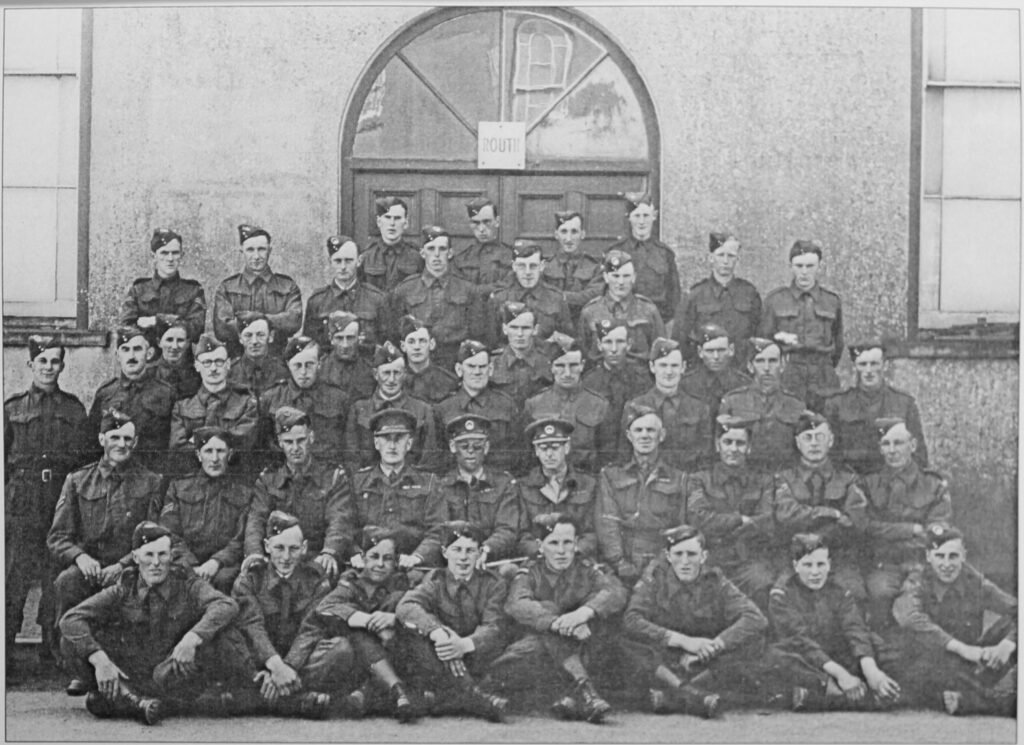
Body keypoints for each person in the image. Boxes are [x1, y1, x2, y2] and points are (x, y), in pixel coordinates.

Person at [58, 522, 246, 724]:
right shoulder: (123, 587)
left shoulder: (186, 582)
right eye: (149, 555)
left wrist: (193, 637)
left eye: (162, 555)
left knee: (98, 702)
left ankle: (131, 702)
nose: (156, 563)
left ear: (171, 556)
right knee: (70, 642)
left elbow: (226, 604)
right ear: (136, 557)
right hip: (131, 672)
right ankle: (137, 700)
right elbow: (71, 619)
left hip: (169, 672)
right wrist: (100, 660)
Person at [48, 409, 164, 693]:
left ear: (135, 442)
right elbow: (58, 536)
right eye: (115, 437)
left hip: (132, 567)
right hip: (92, 568)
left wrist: (125, 563)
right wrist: (81, 557)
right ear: (102, 439)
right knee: (67, 582)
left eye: (127, 438)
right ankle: (79, 668)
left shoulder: (151, 481)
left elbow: (156, 534)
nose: (121, 444)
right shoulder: (77, 480)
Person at [491, 513, 626, 723]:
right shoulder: (530, 570)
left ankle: (574, 696)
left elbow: (615, 591)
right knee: (546, 614)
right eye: (553, 543)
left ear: (576, 543)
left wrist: (584, 613)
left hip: (569, 650)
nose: (561, 551)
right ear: (540, 545)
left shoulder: (587, 567)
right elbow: (517, 603)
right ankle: (579, 693)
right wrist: (557, 623)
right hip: (529, 654)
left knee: (601, 630)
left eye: (567, 543)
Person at [622, 525, 767, 718]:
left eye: (691, 554)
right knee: (625, 642)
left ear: (703, 556)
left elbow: (755, 617)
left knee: (755, 642)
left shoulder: (715, 580)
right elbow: (631, 619)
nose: (684, 562)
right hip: (666, 656)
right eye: (678, 554)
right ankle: (692, 695)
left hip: (702, 661)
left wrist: (715, 646)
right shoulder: (655, 577)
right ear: (667, 556)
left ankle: (675, 695)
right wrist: (684, 641)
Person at [5, 335, 89, 666]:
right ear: (31, 365)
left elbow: (82, 464)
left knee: (55, 579)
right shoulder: (11, 409)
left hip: (58, 501)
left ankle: (53, 653)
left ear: (62, 366)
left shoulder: (73, 409)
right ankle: (5, 654)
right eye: (43, 361)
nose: (49, 367)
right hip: (22, 504)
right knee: (13, 578)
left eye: (55, 361)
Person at [766, 533, 901, 711]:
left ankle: (828, 695)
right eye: (807, 565)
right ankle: (847, 693)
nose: (815, 572)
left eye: (821, 564)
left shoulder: (839, 587)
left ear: (829, 564)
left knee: (885, 649)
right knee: (774, 657)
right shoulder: (782, 594)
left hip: (835, 651)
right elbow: (800, 641)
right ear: (795, 566)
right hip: (807, 656)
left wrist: (871, 669)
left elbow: (854, 628)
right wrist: (842, 675)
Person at [293, 527, 418, 720]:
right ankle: (393, 689)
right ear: (363, 558)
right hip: (350, 660)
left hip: (387, 654)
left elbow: (417, 612)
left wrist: (394, 619)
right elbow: (326, 607)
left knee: (395, 637)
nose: (380, 564)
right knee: (356, 634)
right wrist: (367, 620)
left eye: (388, 559)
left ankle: (369, 695)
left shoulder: (401, 586)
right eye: (374, 556)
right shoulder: (350, 583)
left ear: (395, 562)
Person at [893, 526, 1017, 717]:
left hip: (971, 662)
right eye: (940, 556)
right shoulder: (917, 580)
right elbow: (910, 618)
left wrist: (1008, 643)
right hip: (931, 665)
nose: (946, 564)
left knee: (1013, 625)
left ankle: (968, 697)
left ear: (964, 556)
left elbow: (1016, 608)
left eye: (953, 556)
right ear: (928, 556)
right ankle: (987, 701)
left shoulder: (974, 581)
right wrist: (962, 649)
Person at [394, 521, 511, 722]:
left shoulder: (494, 584)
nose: (463, 557)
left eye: (470, 550)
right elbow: (406, 606)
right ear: (444, 552)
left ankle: (448, 698)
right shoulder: (435, 579)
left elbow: (494, 626)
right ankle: (473, 696)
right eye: (456, 549)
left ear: (480, 552)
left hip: (476, 654)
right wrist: (439, 633)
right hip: (441, 655)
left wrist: (463, 645)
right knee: (411, 634)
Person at [228, 511, 340, 718]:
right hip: (260, 660)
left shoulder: (316, 580)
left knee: (340, 648)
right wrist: (275, 666)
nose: (286, 557)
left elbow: (311, 629)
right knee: (227, 640)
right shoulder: (250, 579)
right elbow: (252, 627)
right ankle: (294, 700)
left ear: (304, 548)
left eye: (294, 549)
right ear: (267, 546)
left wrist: (287, 668)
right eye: (279, 548)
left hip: (298, 662)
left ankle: (259, 697)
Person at [859, 417, 952, 630]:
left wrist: (891, 534)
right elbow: (866, 527)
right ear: (880, 449)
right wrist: (911, 530)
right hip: (884, 565)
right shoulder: (867, 484)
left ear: (912, 445)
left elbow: (937, 531)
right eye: (886, 444)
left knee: (920, 609)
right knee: (879, 596)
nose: (892, 450)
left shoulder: (934, 484)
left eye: (898, 443)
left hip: (921, 564)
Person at [243, 407, 351, 584]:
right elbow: (256, 519)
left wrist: (330, 551)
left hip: (316, 556)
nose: (295, 448)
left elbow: (339, 519)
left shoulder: (332, 477)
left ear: (311, 438)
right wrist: (254, 552)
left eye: (300, 440)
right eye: (289, 442)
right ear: (280, 443)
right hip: (279, 558)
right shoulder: (268, 480)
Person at [684, 415, 779, 611]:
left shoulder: (764, 481)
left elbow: (767, 520)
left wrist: (721, 524)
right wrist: (740, 520)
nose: (734, 449)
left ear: (749, 447)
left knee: (762, 583)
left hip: (749, 560)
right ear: (717, 445)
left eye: (740, 443)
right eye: (727, 442)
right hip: (711, 558)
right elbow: (698, 518)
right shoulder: (699, 480)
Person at [774, 412, 869, 599]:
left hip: (838, 558)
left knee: (855, 594)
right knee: (780, 595)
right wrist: (831, 514)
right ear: (798, 443)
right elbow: (785, 515)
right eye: (807, 438)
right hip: (795, 559)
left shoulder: (849, 478)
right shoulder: (783, 478)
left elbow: (856, 522)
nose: (814, 443)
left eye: (820, 437)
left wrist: (809, 522)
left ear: (831, 440)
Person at [596, 404, 687, 583]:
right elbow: (607, 523)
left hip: (661, 563)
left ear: (661, 436)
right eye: (638, 430)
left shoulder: (679, 478)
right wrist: (619, 562)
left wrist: (658, 565)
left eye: (651, 430)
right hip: (620, 563)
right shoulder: (611, 475)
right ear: (629, 436)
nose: (644, 435)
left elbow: (680, 528)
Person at [348, 408, 447, 571]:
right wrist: (355, 553)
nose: (392, 446)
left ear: (409, 443)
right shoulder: (358, 482)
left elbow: (438, 529)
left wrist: (418, 556)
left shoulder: (429, 482)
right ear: (376, 443)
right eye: (386, 439)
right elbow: (346, 526)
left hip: (412, 568)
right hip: (366, 566)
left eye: (399, 439)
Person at [159, 427, 252, 593]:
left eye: (220, 451)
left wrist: (216, 562)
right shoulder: (178, 487)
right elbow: (169, 532)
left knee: (227, 580)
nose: (215, 458)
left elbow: (241, 538)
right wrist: (191, 565)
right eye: (208, 451)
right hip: (184, 563)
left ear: (230, 454)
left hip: (224, 566)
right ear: (198, 455)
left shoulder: (243, 493)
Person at [389, 225, 487, 372]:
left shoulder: (468, 290)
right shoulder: (405, 290)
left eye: (442, 249)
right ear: (422, 253)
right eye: (431, 249)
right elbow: (394, 334)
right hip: (416, 367)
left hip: (455, 365)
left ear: (450, 253)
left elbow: (478, 334)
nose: (436, 255)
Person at [758, 240, 843, 408]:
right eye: (799, 266)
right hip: (789, 374)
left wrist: (822, 365)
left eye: (810, 266)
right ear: (791, 266)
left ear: (819, 266)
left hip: (823, 375)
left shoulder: (831, 301)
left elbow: (837, 344)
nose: (804, 272)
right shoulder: (775, 300)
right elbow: (764, 341)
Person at [824, 340, 928, 474]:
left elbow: (919, 456)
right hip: (852, 483)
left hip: (892, 482)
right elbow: (830, 455)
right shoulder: (837, 404)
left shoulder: (904, 404)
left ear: (885, 366)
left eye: (874, 364)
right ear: (855, 367)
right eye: (863, 364)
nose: (868, 371)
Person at [168, 334, 259, 476]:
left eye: (219, 362)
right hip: (193, 481)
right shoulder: (182, 407)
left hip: (235, 478)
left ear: (228, 364)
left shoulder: (246, 403)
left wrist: (196, 441)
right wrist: (225, 440)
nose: (213, 368)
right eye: (207, 362)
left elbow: (245, 444)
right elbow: (178, 449)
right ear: (197, 366)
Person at [437, 415, 521, 567]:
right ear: (452, 447)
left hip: (492, 561)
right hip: (454, 563)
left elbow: (507, 529)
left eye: (477, 447)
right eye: (464, 447)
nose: (471, 452)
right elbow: (439, 530)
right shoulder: (442, 486)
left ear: (487, 447)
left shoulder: (504, 484)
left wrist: (486, 549)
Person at [88, 325, 176, 471]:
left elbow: (172, 445)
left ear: (149, 354)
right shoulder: (106, 393)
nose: (131, 356)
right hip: (113, 476)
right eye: (125, 349)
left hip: (150, 477)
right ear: (117, 355)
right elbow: (91, 443)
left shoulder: (165, 393)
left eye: (137, 349)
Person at [344, 341, 440, 470]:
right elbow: (352, 459)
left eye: (397, 373)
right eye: (386, 373)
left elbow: (428, 459)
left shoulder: (422, 410)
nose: (391, 380)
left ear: (404, 375)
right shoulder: (359, 409)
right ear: (375, 374)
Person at [213, 224, 302, 359]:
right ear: (241, 251)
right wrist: (271, 321)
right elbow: (222, 329)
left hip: (277, 361)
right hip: (237, 363)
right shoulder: (227, 287)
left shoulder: (288, 286)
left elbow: (293, 322)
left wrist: (250, 320)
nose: (256, 256)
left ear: (269, 251)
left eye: (261, 249)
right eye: (250, 250)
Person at [525, 338, 613, 474]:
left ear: (582, 365)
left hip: (588, 479)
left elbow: (607, 454)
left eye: (573, 365)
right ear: (551, 367)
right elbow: (527, 454)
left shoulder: (599, 405)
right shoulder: (534, 404)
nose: (567, 373)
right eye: (560, 366)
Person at [624, 337, 712, 472]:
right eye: (663, 365)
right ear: (652, 367)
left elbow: (705, 457)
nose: (669, 372)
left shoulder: (699, 409)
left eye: (674, 366)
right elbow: (625, 454)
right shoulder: (635, 406)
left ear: (683, 368)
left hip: (686, 479)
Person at [259, 336, 350, 467]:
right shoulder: (271, 398)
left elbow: (347, 448)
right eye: (297, 365)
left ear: (319, 363)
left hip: (326, 473)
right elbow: (264, 447)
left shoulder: (339, 398)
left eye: (309, 365)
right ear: (288, 364)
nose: (303, 372)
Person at [436, 340, 523, 474]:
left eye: (482, 367)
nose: (477, 372)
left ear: (491, 369)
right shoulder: (443, 408)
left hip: (498, 482)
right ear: (459, 370)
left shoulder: (506, 405)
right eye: (471, 366)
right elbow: (438, 457)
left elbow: (518, 454)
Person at [674, 232, 761, 367]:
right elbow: (680, 338)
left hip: (740, 369)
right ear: (711, 258)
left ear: (737, 259)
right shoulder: (695, 295)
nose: (725, 261)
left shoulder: (749, 293)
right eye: (720, 255)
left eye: (731, 256)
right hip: (704, 369)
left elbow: (758, 335)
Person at [516, 418, 598, 559]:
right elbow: (522, 534)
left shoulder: (588, 484)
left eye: (555, 448)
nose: (549, 454)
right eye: (543, 448)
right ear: (536, 451)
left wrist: (575, 550)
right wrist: (541, 550)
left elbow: (593, 531)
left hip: (578, 558)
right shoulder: (523, 486)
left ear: (566, 448)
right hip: (538, 560)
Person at [719, 337, 805, 470]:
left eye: (772, 361)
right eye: (760, 361)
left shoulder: (796, 405)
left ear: (782, 365)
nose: (766, 368)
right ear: (750, 366)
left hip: (782, 475)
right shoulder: (732, 401)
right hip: (745, 478)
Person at [580, 318, 652, 459]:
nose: (614, 349)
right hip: (600, 458)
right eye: (608, 342)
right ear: (599, 345)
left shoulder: (642, 379)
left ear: (629, 345)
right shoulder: (589, 382)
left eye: (619, 342)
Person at [119, 227, 206, 342]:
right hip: (147, 356)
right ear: (153, 256)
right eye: (164, 253)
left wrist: (157, 321)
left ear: (182, 255)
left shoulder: (193, 291)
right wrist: (177, 322)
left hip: (180, 357)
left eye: (175, 253)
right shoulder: (138, 290)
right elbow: (126, 328)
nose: (170, 259)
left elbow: (196, 329)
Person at [604, 192, 681, 322]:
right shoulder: (616, 251)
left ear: (654, 216)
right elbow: (605, 291)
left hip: (656, 321)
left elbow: (674, 296)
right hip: (622, 323)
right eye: (637, 216)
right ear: (629, 217)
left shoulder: (665, 253)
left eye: (645, 215)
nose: (641, 221)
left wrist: (661, 322)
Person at [578, 250, 665, 362]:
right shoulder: (590, 312)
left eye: (626, 276)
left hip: (639, 375)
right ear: (606, 277)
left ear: (634, 277)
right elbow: (583, 353)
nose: (621, 282)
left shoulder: (648, 310)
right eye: (615, 276)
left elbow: (660, 353)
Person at [303, 235, 387, 348]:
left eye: (348, 261)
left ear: (359, 261)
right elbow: (310, 345)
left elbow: (384, 343)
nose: (343, 267)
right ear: (330, 262)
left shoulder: (376, 299)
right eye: (338, 261)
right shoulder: (318, 301)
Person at [487, 239, 572, 348]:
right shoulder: (499, 299)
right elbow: (492, 343)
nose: (527, 272)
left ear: (542, 266)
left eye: (533, 266)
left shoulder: (556, 298)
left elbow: (566, 339)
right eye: (522, 266)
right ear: (514, 266)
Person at [678, 323, 752, 422]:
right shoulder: (685, 385)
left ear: (731, 350)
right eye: (710, 351)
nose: (716, 357)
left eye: (721, 350)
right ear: (700, 352)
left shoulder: (744, 384)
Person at [489, 301, 554, 408]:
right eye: (514, 328)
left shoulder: (547, 362)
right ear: (505, 329)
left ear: (535, 330)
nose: (520, 334)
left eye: (525, 328)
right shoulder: (492, 364)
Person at [543, 210, 604, 323]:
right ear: (556, 234)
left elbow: (594, 296)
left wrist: (560, 297)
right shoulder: (545, 267)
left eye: (574, 232)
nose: (569, 238)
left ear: (583, 234)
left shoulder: (595, 267)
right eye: (564, 231)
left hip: (583, 326)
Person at [358, 196, 423, 292]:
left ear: (405, 223)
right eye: (387, 217)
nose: (392, 223)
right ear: (379, 221)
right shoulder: (366, 256)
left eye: (397, 218)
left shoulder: (416, 257)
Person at [452, 197, 512, 294]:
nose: (481, 229)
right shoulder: (461, 259)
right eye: (475, 223)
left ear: (497, 221)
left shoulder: (511, 256)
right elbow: (458, 288)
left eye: (487, 222)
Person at [225, 312, 289, 403]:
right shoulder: (230, 372)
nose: (254, 341)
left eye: (260, 335)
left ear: (270, 336)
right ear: (240, 338)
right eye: (248, 335)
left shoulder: (283, 371)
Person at [398, 314, 461, 405]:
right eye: (411, 342)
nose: (417, 347)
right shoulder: (396, 380)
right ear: (403, 346)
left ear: (431, 344)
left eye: (422, 341)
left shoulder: (449, 381)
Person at [317, 310, 376, 402]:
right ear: (331, 339)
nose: (345, 345)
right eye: (339, 338)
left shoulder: (370, 370)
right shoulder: (320, 369)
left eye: (350, 338)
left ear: (360, 338)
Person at [148, 318, 202, 400]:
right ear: (159, 342)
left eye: (180, 340)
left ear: (187, 343)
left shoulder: (197, 375)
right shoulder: (148, 373)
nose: (174, 346)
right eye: (169, 340)